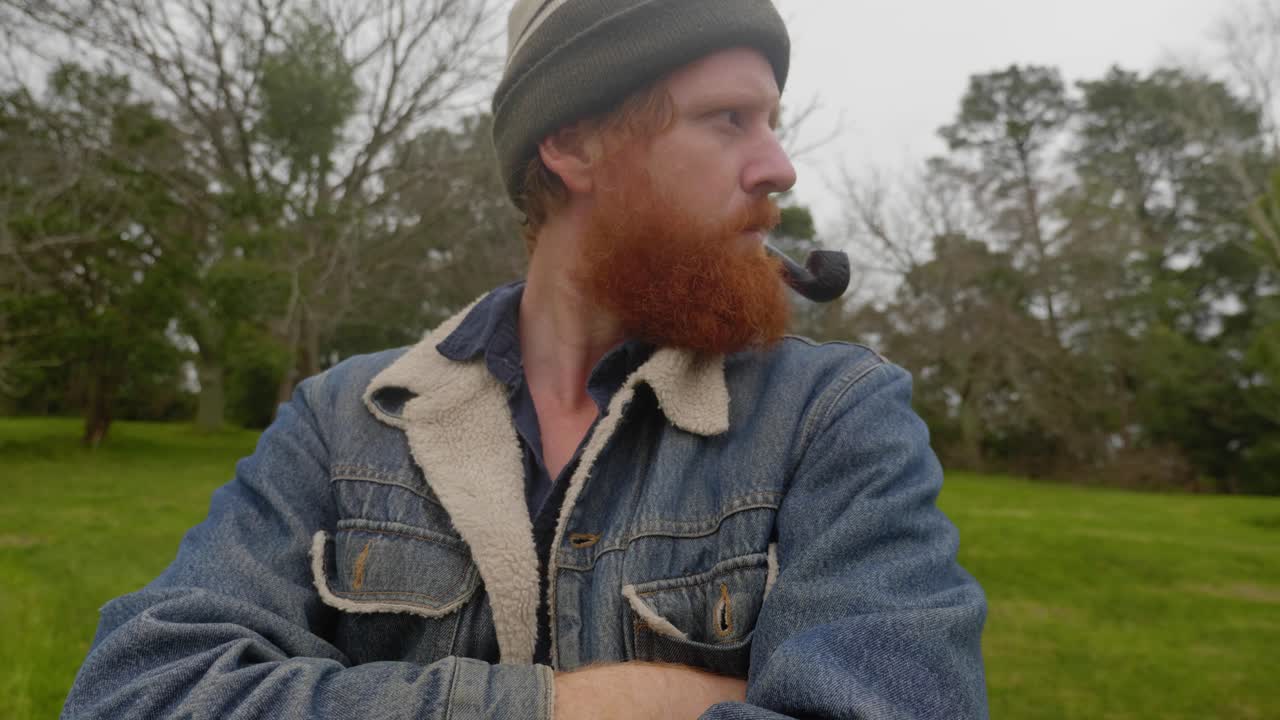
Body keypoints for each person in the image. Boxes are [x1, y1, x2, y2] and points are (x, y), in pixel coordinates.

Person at [62, 1, 988, 718]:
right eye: (729, 120)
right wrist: (586, 705)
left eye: (772, 120)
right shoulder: (346, 417)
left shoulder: (830, 415)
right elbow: (138, 689)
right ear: (572, 143)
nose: (779, 166)